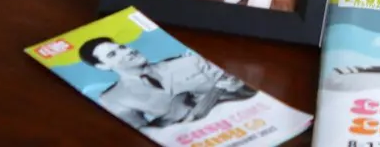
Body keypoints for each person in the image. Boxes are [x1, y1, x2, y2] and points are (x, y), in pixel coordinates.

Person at [80, 37, 254, 129]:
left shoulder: (190, 61)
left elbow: (245, 89)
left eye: (122, 47)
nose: (128, 52)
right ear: (102, 66)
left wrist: (233, 86)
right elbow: (144, 133)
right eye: (113, 55)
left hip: (244, 120)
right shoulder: (113, 98)